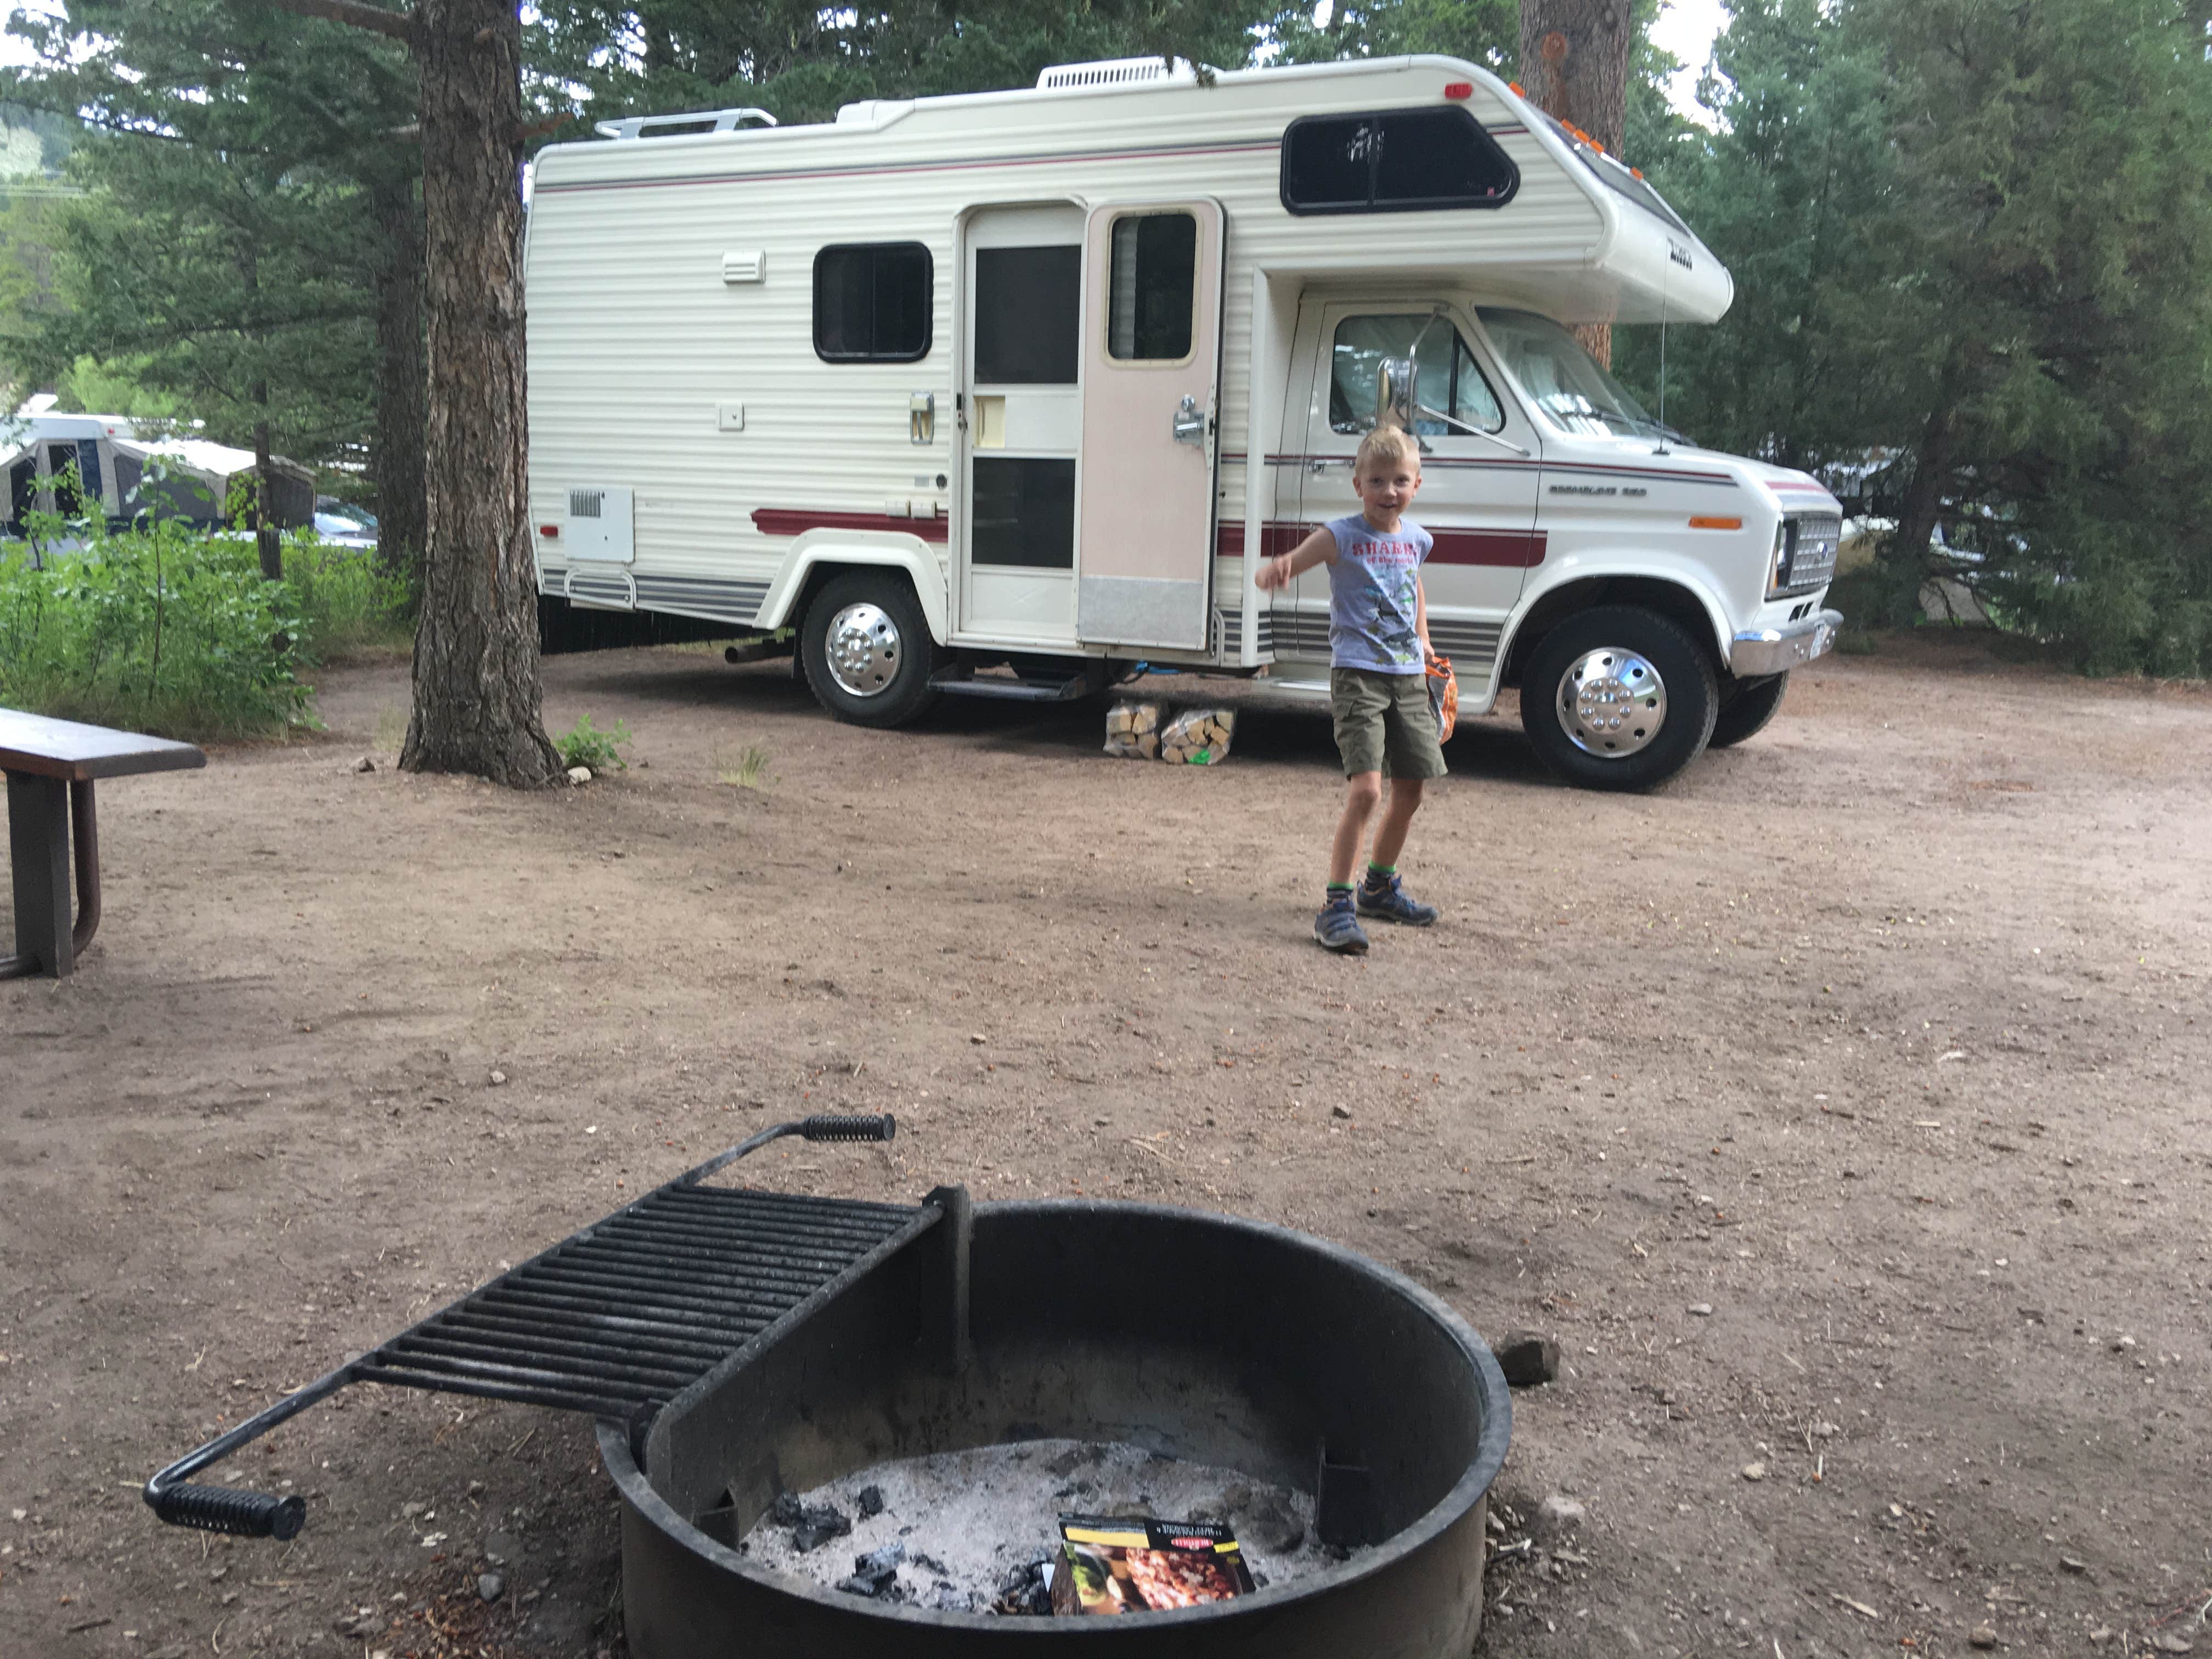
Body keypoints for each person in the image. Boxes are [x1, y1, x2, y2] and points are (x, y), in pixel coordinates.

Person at [1255, 422, 1444, 953]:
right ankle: (1336, 906)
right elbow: (1298, 559)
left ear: (1417, 486)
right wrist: (1279, 570)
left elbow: (1414, 588)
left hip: (1408, 676)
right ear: (1357, 485)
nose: (1390, 492)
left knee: (1412, 790)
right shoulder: (1340, 536)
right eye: (1378, 481)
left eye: (1400, 481)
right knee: (1367, 790)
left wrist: (1425, 640)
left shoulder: (1416, 539)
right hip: (1359, 675)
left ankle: (1379, 888)